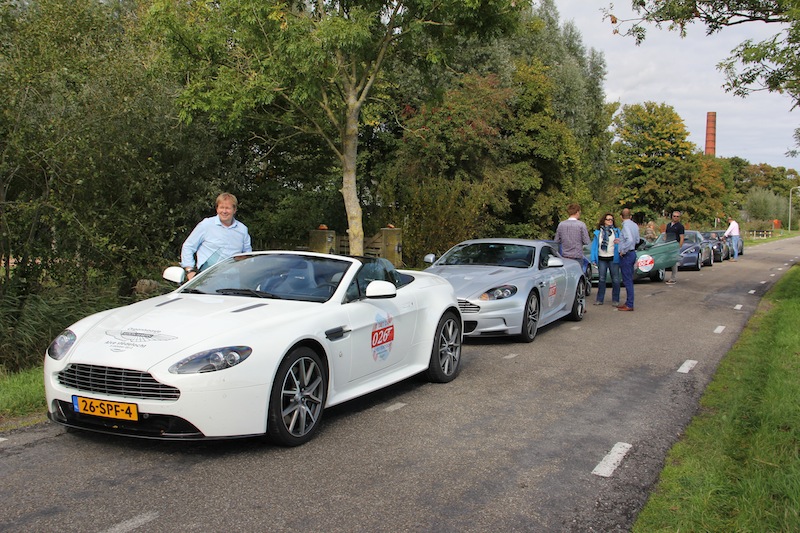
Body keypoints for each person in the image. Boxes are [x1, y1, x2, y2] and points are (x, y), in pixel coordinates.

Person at [181, 192, 252, 280]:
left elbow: (248, 254)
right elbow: (188, 246)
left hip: (234, 280)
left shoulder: (242, 229)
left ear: (234, 210)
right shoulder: (206, 225)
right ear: (217, 209)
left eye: (228, 208)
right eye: (221, 207)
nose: (224, 211)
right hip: (207, 278)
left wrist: (243, 259)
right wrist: (189, 271)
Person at [589, 213, 621, 306]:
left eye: (611, 219)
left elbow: (622, 242)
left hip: (613, 258)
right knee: (602, 279)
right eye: (608, 219)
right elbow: (594, 246)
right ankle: (599, 299)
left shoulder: (616, 231)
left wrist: (619, 242)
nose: (610, 221)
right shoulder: (598, 233)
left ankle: (616, 300)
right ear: (604, 221)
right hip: (601, 258)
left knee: (615, 279)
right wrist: (593, 258)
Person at [617, 208, 639, 312]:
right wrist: (621, 241)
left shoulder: (625, 226)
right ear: (630, 216)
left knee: (627, 280)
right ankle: (628, 302)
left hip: (627, 254)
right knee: (629, 278)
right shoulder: (634, 225)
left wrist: (623, 250)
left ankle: (629, 304)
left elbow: (629, 240)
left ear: (621, 216)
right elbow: (637, 239)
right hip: (633, 252)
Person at [664, 211, 685, 285]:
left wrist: (679, 246)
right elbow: (666, 235)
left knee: (674, 262)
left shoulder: (680, 226)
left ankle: (673, 278)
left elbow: (682, 237)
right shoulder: (669, 225)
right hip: (667, 245)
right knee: (664, 260)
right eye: (674, 216)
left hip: (675, 245)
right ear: (672, 216)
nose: (675, 218)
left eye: (677, 216)